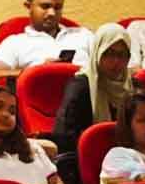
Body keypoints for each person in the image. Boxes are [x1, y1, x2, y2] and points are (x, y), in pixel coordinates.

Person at [49, 25, 132, 160]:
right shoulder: (81, 87)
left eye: (122, 55)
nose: (116, 61)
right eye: (109, 53)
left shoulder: (133, 87)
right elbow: (64, 137)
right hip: (86, 158)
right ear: (97, 52)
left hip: (128, 158)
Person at [0, 0, 88, 76]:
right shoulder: (15, 42)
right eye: (45, 6)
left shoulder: (84, 35)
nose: (52, 13)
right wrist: (38, 71)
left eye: (58, 7)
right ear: (28, 6)